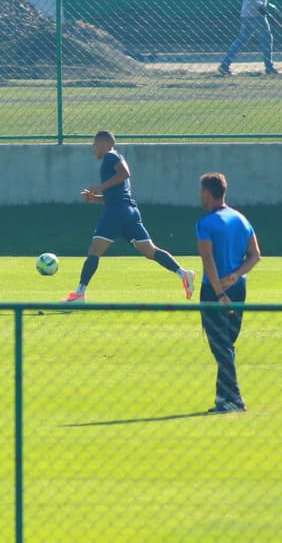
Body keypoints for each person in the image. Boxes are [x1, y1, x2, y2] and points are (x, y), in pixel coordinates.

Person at [62, 130, 196, 303]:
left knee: (94, 251)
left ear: (104, 144)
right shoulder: (112, 158)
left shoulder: (110, 155)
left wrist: (101, 187)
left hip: (117, 212)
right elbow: (116, 194)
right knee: (150, 251)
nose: (93, 148)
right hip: (128, 211)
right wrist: (94, 198)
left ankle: (79, 294)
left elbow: (125, 173)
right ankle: (183, 274)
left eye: (94, 145)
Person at [196, 172, 260, 414]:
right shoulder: (242, 219)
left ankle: (234, 399)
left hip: (214, 290)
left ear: (208, 193)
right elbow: (255, 255)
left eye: (201, 191)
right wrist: (236, 275)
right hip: (239, 287)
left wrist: (219, 292)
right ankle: (224, 397)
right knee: (227, 344)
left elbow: (207, 258)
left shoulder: (205, 223)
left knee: (220, 345)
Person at [218, 0, 282, 76]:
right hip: (254, 14)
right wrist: (259, 5)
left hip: (250, 13)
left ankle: (224, 65)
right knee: (267, 38)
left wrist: (264, 4)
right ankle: (269, 68)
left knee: (242, 40)